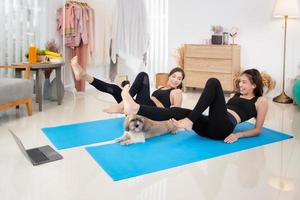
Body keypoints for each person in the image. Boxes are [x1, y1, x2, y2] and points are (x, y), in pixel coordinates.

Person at [120, 69, 268, 144]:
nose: (240, 85)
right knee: (176, 111)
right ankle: (136, 108)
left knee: (214, 82)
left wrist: (237, 134)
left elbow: (258, 129)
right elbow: (216, 107)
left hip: (222, 129)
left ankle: (190, 120)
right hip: (208, 126)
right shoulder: (234, 95)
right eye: (240, 82)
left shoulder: (261, 101)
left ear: (254, 85)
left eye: (244, 82)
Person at [70, 56, 185, 112]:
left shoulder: (177, 91)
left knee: (143, 75)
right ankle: (84, 75)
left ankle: (122, 104)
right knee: (115, 89)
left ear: (180, 82)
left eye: (179, 79)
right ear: (169, 76)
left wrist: (155, 100)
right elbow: (148, 97)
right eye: (174, 76)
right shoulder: (161, 87)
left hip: (152, 112)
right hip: (142, 106)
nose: (175, 80)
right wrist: (152, 98)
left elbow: (174, 113)